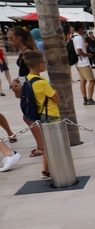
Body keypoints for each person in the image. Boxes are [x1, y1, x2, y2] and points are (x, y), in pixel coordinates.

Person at [8, 27, 46, 158]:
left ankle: (42, 146)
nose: (9, 40)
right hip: (26, 85)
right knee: (29, 116)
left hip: (30, 86)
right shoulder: (23, 52)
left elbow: (34, 70)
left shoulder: (27, 53)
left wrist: (22, 84)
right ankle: (42, 144)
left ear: (19, 38)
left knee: (28, 117)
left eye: (11, 37)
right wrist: (16, 80)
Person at [22, 49, 60, 179]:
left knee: (47, 144)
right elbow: (57, 99)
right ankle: (51, 169)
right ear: (39, 65)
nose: (45, 64)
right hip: (51, 114)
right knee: (53, 144)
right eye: (44, 62)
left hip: (40, 114)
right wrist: (54, 92)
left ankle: (46, 170)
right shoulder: (42, 82)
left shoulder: (29, 80)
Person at [71, 24, 95, 106]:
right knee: (92, 80)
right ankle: (90, 99)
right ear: (79, 29)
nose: (83, 30)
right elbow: (79, 51)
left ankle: (85, 99)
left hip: (78, 62)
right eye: (83, 28)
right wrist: (88, 55)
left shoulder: (73, 37)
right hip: (83, 62)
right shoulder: (79, 38)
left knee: (83, 80)